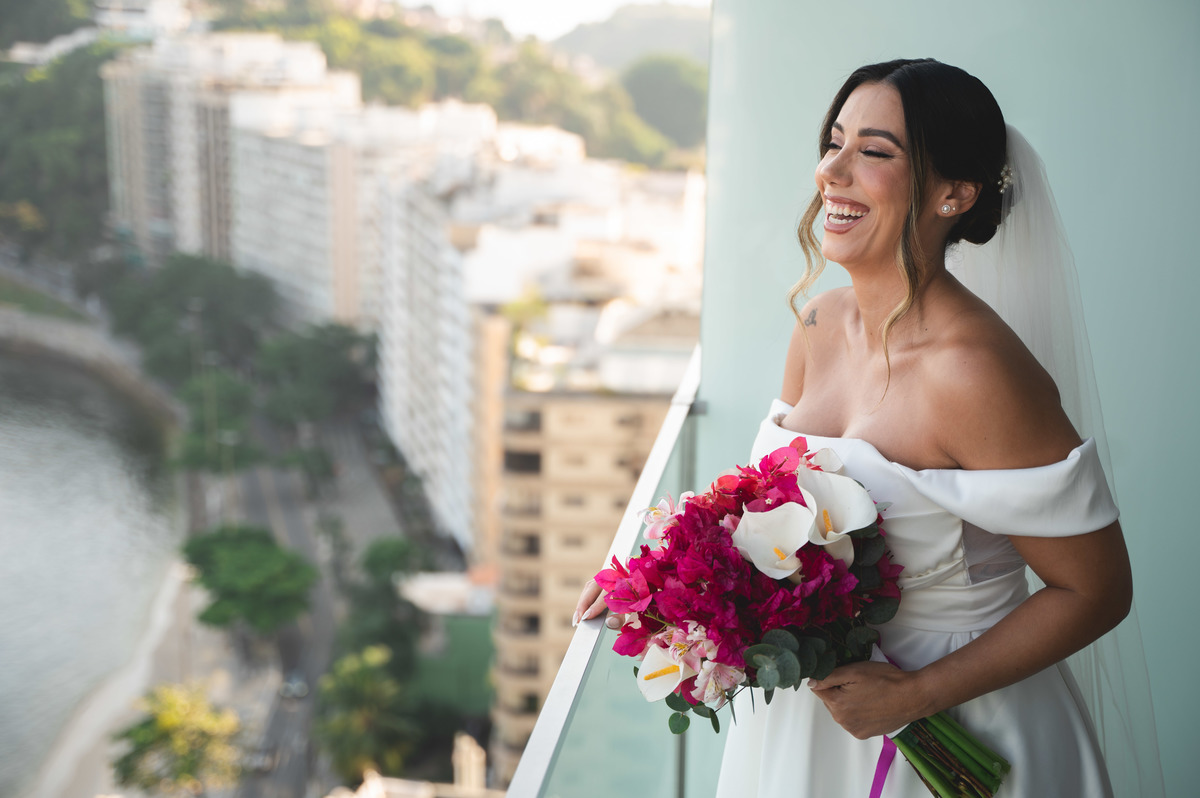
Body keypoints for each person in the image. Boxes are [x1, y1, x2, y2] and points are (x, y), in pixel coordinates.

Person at [576, 59, 1146, 796]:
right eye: (834, 143)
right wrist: (654, 583)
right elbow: (762, 502)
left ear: (953, 193)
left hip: (954, 722)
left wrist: (917, 695)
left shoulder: (976, 373)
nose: (831, 173)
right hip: (806, 717)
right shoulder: (818, 321)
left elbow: (1097, 591)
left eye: (874, 152)